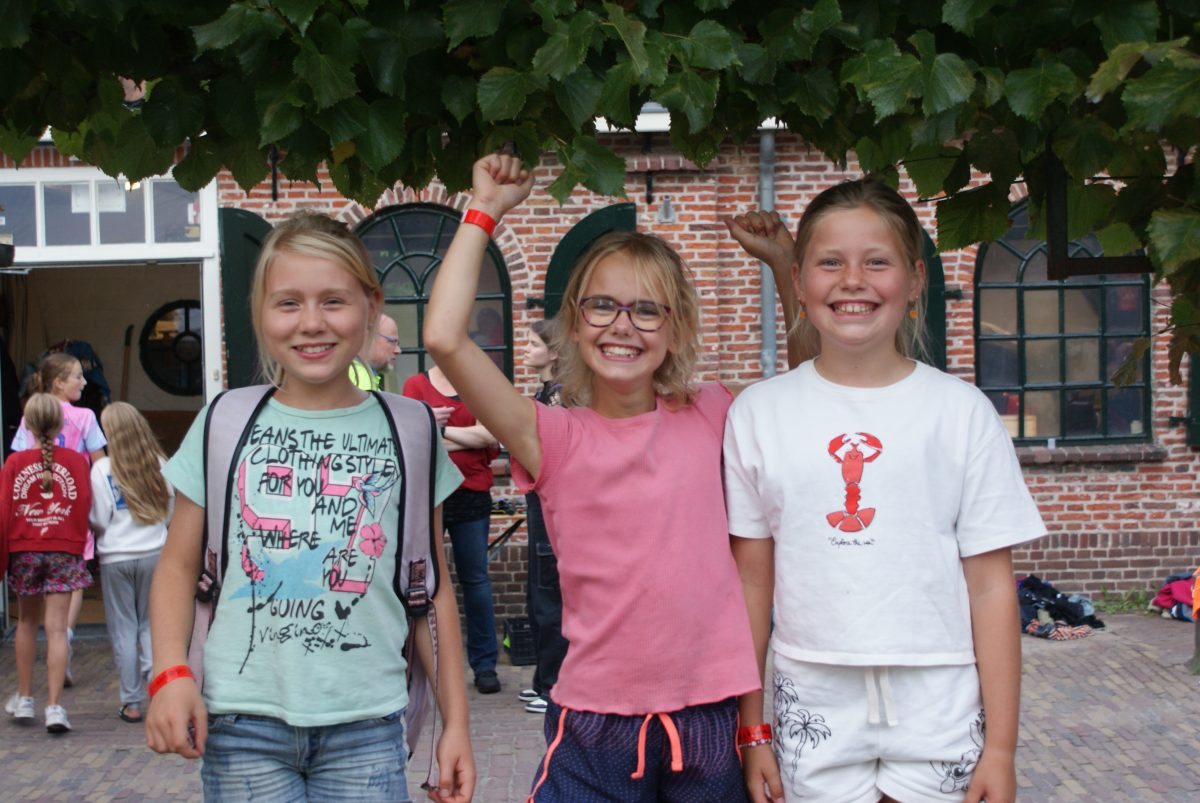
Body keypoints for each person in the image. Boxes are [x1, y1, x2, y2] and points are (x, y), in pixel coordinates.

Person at [422, 153, 796, 801]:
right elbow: (444, 337)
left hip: (710, 719)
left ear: (676, 329)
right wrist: (484, 209)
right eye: (602, 305)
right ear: (573, 322)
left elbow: (812, 383)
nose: (622, 324)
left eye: (647, 310)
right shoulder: (551, 435)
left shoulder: (714, 412)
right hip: (594, 726)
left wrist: (784, 268)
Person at [723, 182, 1046, 803]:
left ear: (916, 279)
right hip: (811, 688)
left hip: (940, 690)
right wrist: (752, 727)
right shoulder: (759, 415)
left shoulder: (961, 413)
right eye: (830, 262)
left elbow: (990, 586)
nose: (853, 280)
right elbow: (751, 583)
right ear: (798, 280)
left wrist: (1001, 748)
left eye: (877, 261)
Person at [144, 213, 475, 803]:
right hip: (241, 721)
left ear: (371, 307)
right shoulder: (225, 421)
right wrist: (171, 672)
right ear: (260, 313)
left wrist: (456, 724)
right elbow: (177, 566)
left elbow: (431, 588)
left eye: (334, 301)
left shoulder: (412, 429)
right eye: (288, 303)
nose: (312, 323)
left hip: (367, 723)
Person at [402, 365, 502, 695]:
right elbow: (415, 442)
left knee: (476, 580)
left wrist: (440, 430)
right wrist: (468, 436)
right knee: (422, 580)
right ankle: (420, 664)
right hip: (430, 495)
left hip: (471, 494)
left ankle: (485, 665)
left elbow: (490, 436)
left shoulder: (476, 382)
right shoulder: (416, 386)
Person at [12, 352, 107, 686]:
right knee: (74, 576)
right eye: (78, 376)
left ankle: (40, 669)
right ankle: (64, 636)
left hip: (37, 512)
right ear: (58, 383)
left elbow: (20, 460)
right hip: (73, 508)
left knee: (35, 588)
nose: (84, 381)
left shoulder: (31, 413)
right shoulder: (85, 416)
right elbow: (101, 465)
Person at [1, 393, 93, 733]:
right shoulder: (76, 462)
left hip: (25, 549)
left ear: (26, 424)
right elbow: (84, 503)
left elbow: (4, 511)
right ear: (59, 424)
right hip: (63, 550)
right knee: (56, 629)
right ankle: (55, 707)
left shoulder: (14, 463)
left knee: (26, 622)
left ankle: (26, 698)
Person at [89, 402, 175, 725]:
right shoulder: (159, 463)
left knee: (124, 628)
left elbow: (99, 518)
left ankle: (131, 703)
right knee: (151, 625)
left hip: (116, 557)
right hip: (155, 552)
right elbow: (169, 509)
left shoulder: (101, 470)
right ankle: (160, 691)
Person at [515, 319, 568, 716]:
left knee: (550, 594)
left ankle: (554, 688)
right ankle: (542, 681)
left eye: (533, 344)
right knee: (538, 594)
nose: (525, 349)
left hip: (552, 502)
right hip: (538, 500)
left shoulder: (561, 397)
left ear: (554, 352)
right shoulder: (543, 394)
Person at [349, 313, 402, 390]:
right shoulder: (360, 378)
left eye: (398, 344)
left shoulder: (356, 374)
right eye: (392, 341)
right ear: (368, 337)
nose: (398, 350)